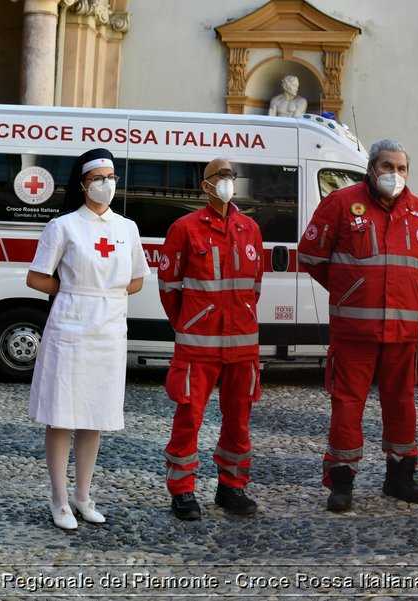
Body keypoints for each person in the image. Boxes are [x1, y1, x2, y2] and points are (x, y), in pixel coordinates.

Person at [298, 139, 418, 512]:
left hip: (403, 333)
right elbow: (311, 256)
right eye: (387, 166)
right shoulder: (341, 204)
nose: (395, 174)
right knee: (347, 405)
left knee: (402, 404)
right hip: (354, 332)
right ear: (371, 168)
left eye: (402, 168)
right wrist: (349, 289)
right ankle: (341, 482)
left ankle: (400, 478)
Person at [27, 148, 148, 530]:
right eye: (98, 178)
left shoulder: (126, 228)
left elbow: (138, 278)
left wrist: (105, 294)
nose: (106, 185)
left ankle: (83, 495)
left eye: (111, 177)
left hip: (109, 327)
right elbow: (35, 277)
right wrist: (75, 289)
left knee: (95, 414)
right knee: (62, 415)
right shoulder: (63, 226)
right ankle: (59, 499)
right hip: (71, 324)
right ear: (83, 184)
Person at [158, 157, 266, 520]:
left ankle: (231, 487)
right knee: (189, 417)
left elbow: (255, 286)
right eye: (221, 175)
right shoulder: (184, 228)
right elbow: (169, 288)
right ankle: (183, 490)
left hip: (243, 346)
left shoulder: (250, 228)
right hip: (198, 345)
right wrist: (190, 323)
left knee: (239, 420)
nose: (228, 180)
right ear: (205, 185)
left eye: (232, 175)